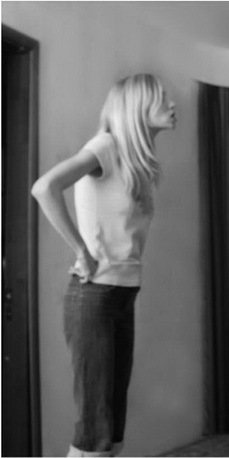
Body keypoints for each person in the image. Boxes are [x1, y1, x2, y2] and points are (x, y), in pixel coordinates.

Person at [31, 74, 176, 457]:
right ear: (138, 107)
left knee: (112, 427)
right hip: (94, 295)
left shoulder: (135, 160)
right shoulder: (106, 146)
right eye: (162, 97)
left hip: (122, 294)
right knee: (95, 429)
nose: (172, 103)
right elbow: (45, 188)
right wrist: (82, 250)